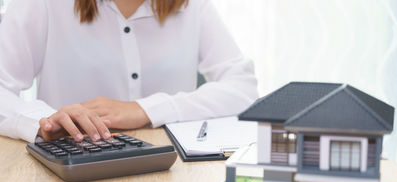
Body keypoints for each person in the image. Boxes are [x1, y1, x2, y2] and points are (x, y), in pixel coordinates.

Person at [0, 0, 258, 143]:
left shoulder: (193, 6)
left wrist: (146, 110)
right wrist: (44, 121)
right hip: (71, 170)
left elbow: (243, 88)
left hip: (172, 174)